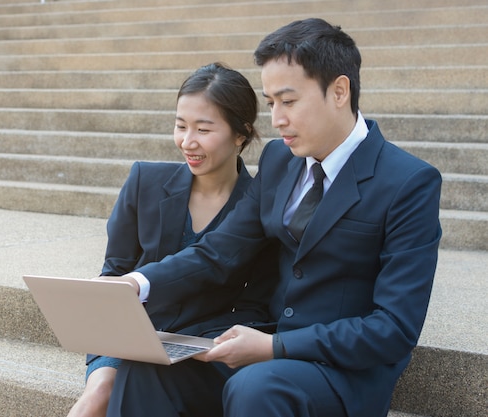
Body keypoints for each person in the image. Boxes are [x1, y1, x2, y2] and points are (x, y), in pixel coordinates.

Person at [102, 18, 442, 417]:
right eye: (270, 103)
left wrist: (274, 348)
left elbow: (394, 328)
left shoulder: (408, 182)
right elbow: (219, 251)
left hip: (341, 371)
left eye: (289, 101)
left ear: (339, 91)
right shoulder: (281, 159)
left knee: (255, 387)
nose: (276, 119)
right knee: (148, 368)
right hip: (266, 341)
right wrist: (135, 283)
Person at [67, 62, 280, 417]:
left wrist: (195, 344)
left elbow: (256, 304)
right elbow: (116, 268)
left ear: (241, 134)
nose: (187, 141)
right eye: (180, 126)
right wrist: (103, 293)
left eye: (203, 129)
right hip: (130, 333)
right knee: (100, 392)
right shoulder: (144, 181)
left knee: (134, 384)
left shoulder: (260, 207)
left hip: (199, 347)